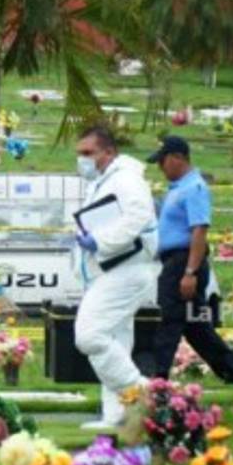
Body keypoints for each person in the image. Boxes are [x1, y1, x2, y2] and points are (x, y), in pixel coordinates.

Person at [73, 125, 160, 430]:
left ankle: (143, 392)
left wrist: (101, 241)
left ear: (108, 152)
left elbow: (137, 218)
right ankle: (117, 417)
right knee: (115, 343)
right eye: (79, 154)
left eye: (88, 153)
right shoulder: (103, 181)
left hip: (127, 268)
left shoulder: (126, 179)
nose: (81, 159)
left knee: (89, 335)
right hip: (110, 269)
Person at [148, 136, 233, 383]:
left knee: (169, 320)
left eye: (162, 162)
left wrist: (190, 272)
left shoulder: (194, 188)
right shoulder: (178, 189)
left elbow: (199, 231)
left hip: (183, 263)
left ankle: (157, 379)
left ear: (177, 158)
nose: (160, 168)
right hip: (176, 262)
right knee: (196, 327)